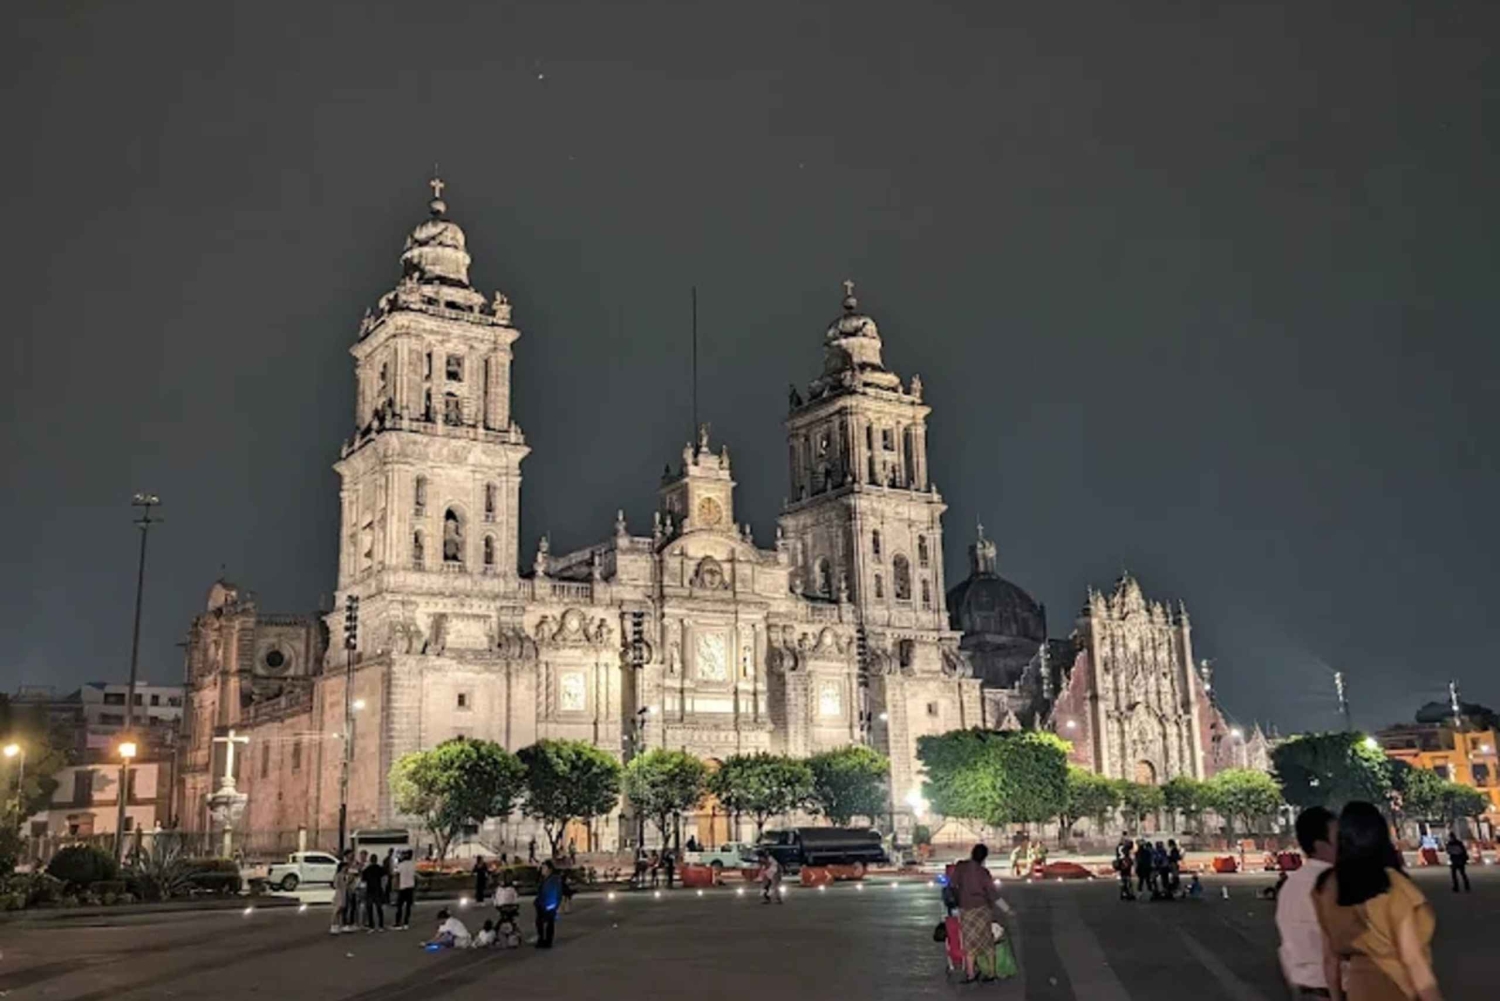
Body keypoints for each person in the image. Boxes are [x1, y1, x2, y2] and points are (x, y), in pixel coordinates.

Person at [1314, 801, 1442, 1001]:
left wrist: (1337, 997)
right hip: (1398, 989)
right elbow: (1412, 961)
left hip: (1358, 990)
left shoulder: (1326, 887)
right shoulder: (1393, 887)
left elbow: (1330, 959)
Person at [1277, 806, 1338, 998]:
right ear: (1321, 845)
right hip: (1334, 987)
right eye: (1339, 838)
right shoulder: (1333, 883)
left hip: (1303, 986)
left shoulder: (1290, 885)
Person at [950, 843, 1008, 983]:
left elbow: (952, 884)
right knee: (987, 942)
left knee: (969, 944)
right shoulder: (983, 873)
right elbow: (993, 894)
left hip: (966, 910)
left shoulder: (961, 867)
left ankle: (970, 974)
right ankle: (992, 973)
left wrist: (957, 899)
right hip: (983, 910)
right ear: (984, 857)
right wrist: (1007, 909)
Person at [534, 860, 564, 948]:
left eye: (544, 868)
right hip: (541, 904)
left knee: (549, 924)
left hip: (550, 905)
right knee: (539, 923)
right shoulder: (543, 879)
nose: (542, 870)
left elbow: (558, 893)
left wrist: (556, 905)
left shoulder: (554, 880)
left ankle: (547, 941)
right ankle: (541, 939)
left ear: (550, 869)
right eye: (542, 868)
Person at [362, 851, 387, 931]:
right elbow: (384, 879)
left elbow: (364, 881)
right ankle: (381, 925)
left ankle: (371, 925)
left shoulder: (367, 870)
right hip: (378, 890)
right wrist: (383, 888)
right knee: (379, 908)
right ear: (376, 860)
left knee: (370, 908)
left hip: (369, 890)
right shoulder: (380, 868)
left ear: (370, 860)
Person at [393, 848, 417, 929]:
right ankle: (406, 923)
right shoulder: (413, 865)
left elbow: (397, 875)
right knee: (408, 907)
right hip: (410, 887)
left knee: (399, 906)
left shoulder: (401, 865)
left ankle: (398, 923)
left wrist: (396, 886)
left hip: (402, 887)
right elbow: (414, 876)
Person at [331, 852, 352, 935]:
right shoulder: (338, 875)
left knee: (342, 910)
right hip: (339, 894)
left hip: (344, 893)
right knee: (337, 910)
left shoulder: (345, 875)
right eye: (345, 867)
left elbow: (346, 884)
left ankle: (341, 925)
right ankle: (334, 925)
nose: (346, 868)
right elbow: (336, 884)